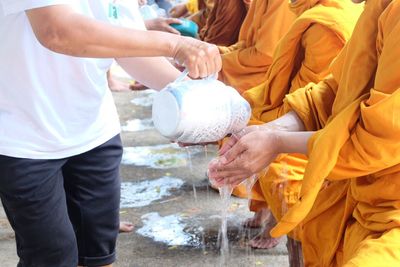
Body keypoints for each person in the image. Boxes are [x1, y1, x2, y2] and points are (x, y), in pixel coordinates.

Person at [0, 1, 220, 267]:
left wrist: (192, 105)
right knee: (52, 254)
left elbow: (129, 51)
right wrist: (173, 45)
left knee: (98, 252)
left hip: (95, 132)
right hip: (24, 141)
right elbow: (56, 30)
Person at [210, 0, 400, 265]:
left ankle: (282, 227)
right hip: (364, 185)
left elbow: (377, 141)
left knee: (284, 168)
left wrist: (277, 141)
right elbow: (336, 90)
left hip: (388, 202)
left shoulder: (324, 23)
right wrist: (271, 130)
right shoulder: (379, 7)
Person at [222, 0, 363, 249]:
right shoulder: (300, 9)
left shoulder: (325, 24)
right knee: (243, 122)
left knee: (273, 155)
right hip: (296, 99)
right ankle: (271, 214)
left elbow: (269, 59)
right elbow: (320, 90)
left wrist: (275, 136)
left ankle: (286, 225)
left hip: (374, 173)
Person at [218, 0, 296, 94]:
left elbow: (266, 56)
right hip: (250, 67)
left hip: (269, 80)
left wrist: (220, 61)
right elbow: (247, 43)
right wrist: (219, 52)